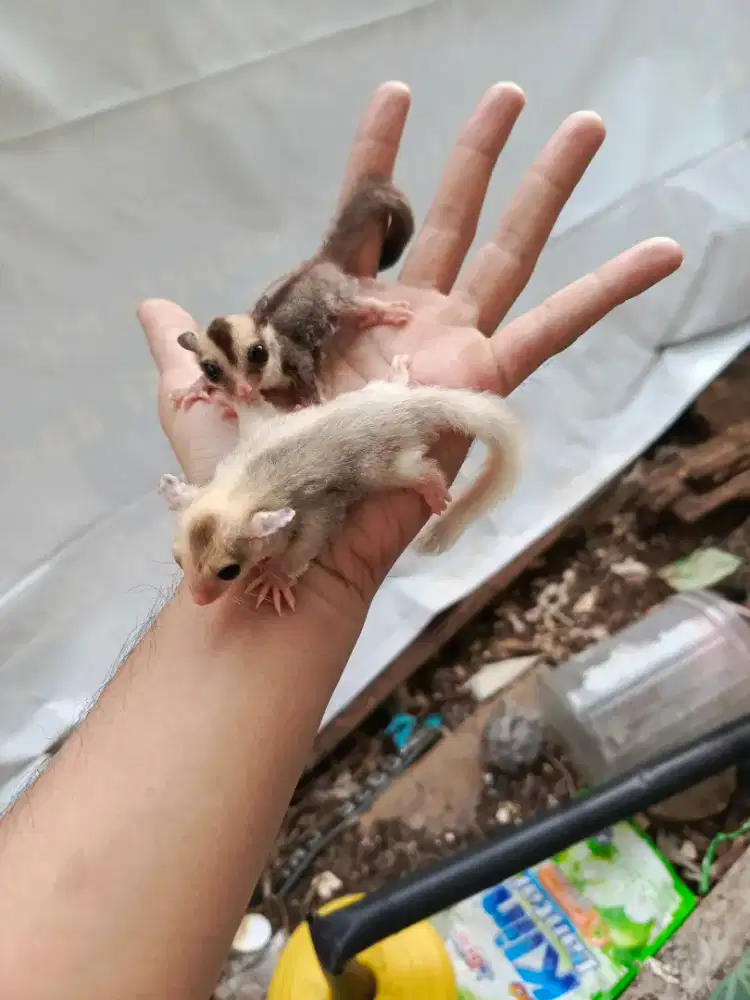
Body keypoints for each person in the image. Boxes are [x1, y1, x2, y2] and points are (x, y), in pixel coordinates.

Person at [0, 82, 682, 1000]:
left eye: (222, 572)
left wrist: (344, 531)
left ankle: (428, 477)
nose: (206, 593)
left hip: (382, 433)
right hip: (381, 395)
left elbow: (313, 514)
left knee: (392, 459)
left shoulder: (275, 508)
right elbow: (261, 466)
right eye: (199, 570)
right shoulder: (234, 485)